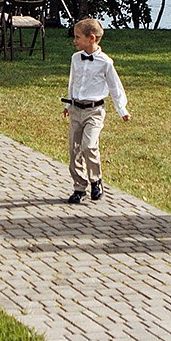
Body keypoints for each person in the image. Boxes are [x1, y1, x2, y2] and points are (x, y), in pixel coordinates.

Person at [61, 18, 131, 203]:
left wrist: (121, 108)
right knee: (74, 149)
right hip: (77, 109)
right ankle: (79, 187)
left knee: (89, 145)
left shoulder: (105, 62)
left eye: (77, 37)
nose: (74, 41)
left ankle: (95, 180)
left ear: (91, 38)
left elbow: (115, 86)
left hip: (94, 111)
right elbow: (73, 82)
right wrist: (68, 104)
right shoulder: (75, 58)